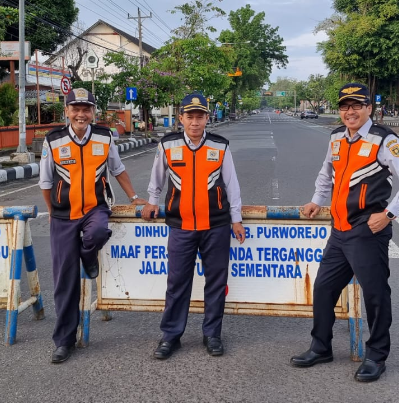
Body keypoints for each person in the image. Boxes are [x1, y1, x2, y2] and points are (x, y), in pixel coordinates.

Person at [292, 83, 399, 383]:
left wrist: (389, 214)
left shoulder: (383, 139)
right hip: (339, 230)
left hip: (367, 230)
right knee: (324, 289)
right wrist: (316, 200)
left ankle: (376, 356)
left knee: (376, 295)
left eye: (356, 105)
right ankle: (321, 346)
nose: (349, 111)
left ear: (369, 108)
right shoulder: (336, 136)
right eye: (344, 106)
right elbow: (327, 173)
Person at [39, 87, 147, 364]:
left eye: (86, 109)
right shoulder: (53, 141)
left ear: (93, 112)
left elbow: (118, 169)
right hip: (63, 215)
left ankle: (88, 256)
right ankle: (64, 341)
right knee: (65, 282)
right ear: (67, 111)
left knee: (99, 232)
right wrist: (52, 212)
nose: (81, 114)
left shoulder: (104, 137)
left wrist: (134, 197)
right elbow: (46, 183)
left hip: (95, 209)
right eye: (75, 108)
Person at [142, 93, 246, 360]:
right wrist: (152, 202)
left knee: (216, 281)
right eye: (190, 116)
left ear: (207, 118)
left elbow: (231, 184)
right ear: (181, 118)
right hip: (181, 225)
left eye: (200, 116)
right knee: (177, 283)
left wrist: (236, 218)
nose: (195, 122)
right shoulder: (168, 145)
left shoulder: (220, 146)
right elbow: (157, 179)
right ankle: (171, 336)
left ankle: (212, 334)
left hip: (216, 225)